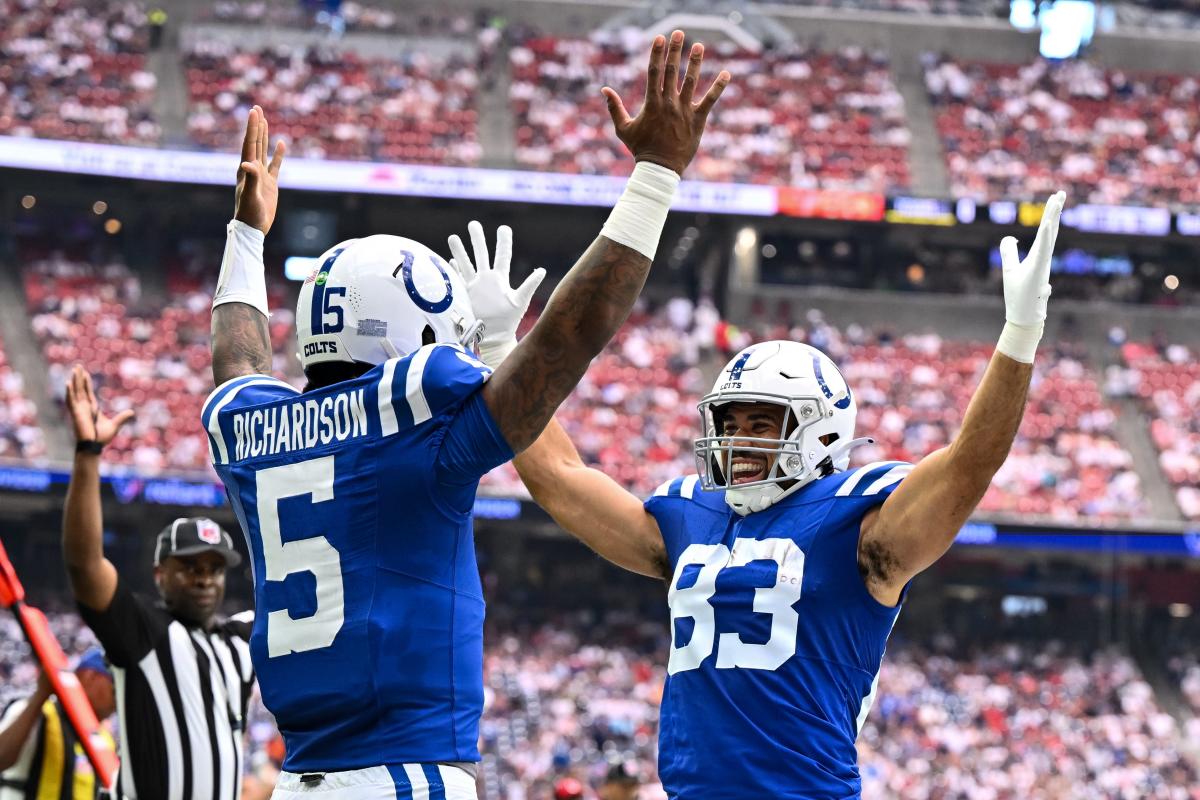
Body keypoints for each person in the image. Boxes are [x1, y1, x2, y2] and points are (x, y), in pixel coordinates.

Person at [201, 30, 729, 800]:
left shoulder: (256, 430)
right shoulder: (416, 416)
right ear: (415, 335)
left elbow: (239, 360)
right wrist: (654, 178)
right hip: (403, 775)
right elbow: (571, 338)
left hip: (297, 778)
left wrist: (245, 236)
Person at [471, 193, 1068, 798]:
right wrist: (501, 355)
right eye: (729, 423)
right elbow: (562, 481)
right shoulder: (689, 515)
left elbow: (969, 463)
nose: (738, 440)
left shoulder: (860, 526)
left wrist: (1019, 335)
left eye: (763, 425)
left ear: (824, 433)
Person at [62, 365, 256, 800]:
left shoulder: (238, 641)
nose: (204, 578)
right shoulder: (143, 630)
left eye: (213, 568)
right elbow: (84, 565)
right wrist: (88, 453)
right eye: (190, 567)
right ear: (159, 575)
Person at [0, 649, 116, 800]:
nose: (119, 699)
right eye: (114, 689)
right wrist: (40, 697)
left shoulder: (104, 737)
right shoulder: (38, 712)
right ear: (91, 677)